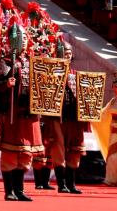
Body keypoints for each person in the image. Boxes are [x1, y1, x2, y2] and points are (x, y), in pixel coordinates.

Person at [0, 2, 41, 202]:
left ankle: (19, 190)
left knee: (26, 155)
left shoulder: (32, 63)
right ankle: (9, 190)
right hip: (11, 114)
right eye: (20, 38)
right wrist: (5, 84)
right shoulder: (4, 62)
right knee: (10, 154)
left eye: (25, 38)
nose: (23, 41)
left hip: (29, 115)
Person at [41, 40, 87, 194]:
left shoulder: (75, 74)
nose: (67, 56)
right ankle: (62, 185)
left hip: (74, 118)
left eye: (69, 53)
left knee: (74, 150)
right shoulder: (49, 73)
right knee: (58, 150)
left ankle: (71, 184)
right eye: (64, 53)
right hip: (57, 118)